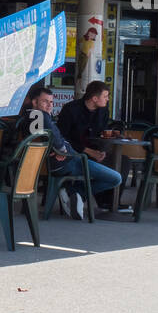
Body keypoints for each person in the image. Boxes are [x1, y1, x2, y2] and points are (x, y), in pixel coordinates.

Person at [20, 83, 121, 219]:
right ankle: (76, 192)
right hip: (68, 161)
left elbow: (43, 137)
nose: (50, 105)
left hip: (57, 161)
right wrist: (61, 150)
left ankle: (75, 194)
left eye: (51, 102)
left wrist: (56, 148)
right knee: (115, 178)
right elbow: (56, 138)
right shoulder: (40, 116)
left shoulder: (31, 117)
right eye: (45, 102)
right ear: (34, 102)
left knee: (116, 166)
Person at [58, 80, 126, 214]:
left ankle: (107, 202)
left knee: (123, 162)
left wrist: (103, 150)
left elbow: (101, 133)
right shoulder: (71, 109)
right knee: (112, 172)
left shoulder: (103, 111)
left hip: (94, 151)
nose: (108, 99)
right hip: (74, 154)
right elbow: (63, 138)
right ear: (95, 98)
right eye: (105, 96)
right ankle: (77, 193)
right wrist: (88, 151)